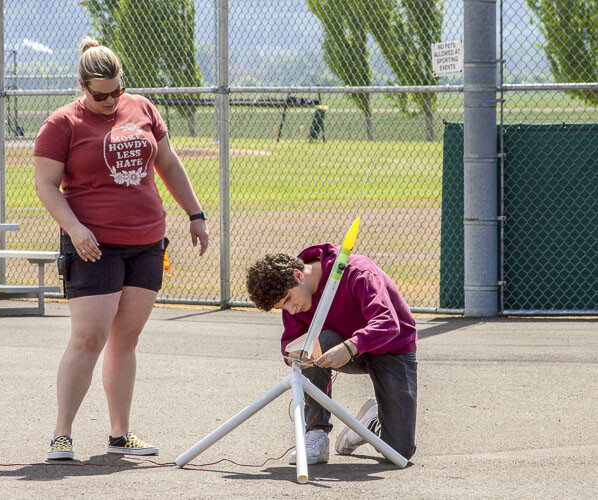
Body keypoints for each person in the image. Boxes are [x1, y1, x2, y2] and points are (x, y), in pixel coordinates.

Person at [34, 37, 209, 460]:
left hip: (147, 242)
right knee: (89, 337)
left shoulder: (143, 108)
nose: (111, 100)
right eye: (100, 95)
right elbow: (45, 185)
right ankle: (62, 434)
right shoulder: (63, 123)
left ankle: (119, 435)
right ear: (81, 85)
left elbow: (167, 163)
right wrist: (74, 229)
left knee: (125, 339)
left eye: (117, 91)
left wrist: (195, 213)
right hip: (94, 245)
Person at [245, 245, 417, 465]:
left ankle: (367, 423)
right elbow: (290, 341)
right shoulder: (296, 302)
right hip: (340, 347)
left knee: (399, 451)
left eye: (288, 300)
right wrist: (292, 355)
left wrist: (350, 347)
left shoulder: (358, 272)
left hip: (392, 347)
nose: (291, 310)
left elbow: (389, 323)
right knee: (314, 343)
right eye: (282, 307)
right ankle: (316, 433)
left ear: (298, 276)